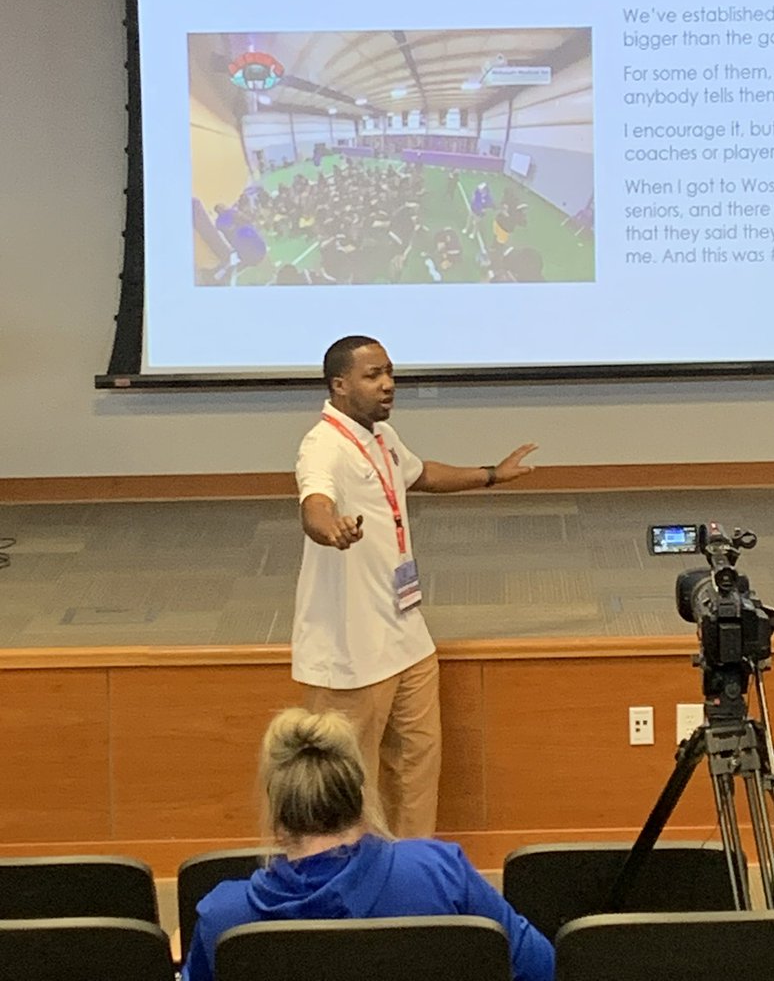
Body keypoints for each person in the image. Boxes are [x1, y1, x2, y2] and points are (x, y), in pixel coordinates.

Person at [293, 335, 537, 838]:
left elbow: (422, 474)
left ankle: (411, 877)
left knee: (417, 768)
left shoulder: (381, 437)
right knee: (346, 782)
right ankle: (351, 884)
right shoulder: (324, 445)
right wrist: (330, 528)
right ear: (339, 385)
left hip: (407, 637)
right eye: (372, 376)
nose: (388, 385)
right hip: (352, 648)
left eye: (389, 373)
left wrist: (492, 475)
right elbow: (314, 504)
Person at [180, 708, 554, 981]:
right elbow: (543, 968)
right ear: (360, 799)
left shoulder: (223, 919)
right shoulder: (441, 872)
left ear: (277, 815)